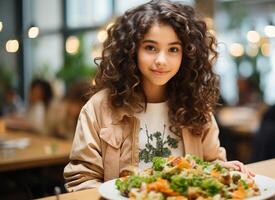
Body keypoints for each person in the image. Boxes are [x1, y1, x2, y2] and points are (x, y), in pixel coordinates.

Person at [64, 0, 253, 192]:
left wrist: (221, 171)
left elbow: (211, 164)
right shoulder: (99, 107)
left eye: (173, 49)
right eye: (150, 48)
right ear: (131, 51)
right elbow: (82, 181)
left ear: (186, 54)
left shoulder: (195, 103)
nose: (161, 60)